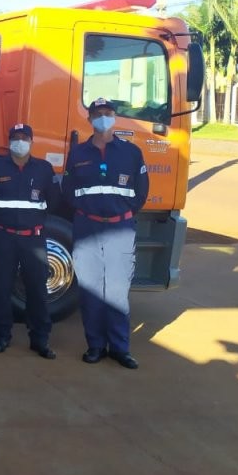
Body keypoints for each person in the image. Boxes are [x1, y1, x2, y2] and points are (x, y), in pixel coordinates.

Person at [62, 97, 149, 369]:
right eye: (98, 113)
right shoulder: (77, 154)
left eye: (108, 113)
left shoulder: (132, 153)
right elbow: (68, 190)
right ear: (89, 119)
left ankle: (120, 348)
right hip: (87, 226)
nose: (103, 117)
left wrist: (121, 212)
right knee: (90, 290)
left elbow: (141, 191)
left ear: (115, 117)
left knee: (117, 289)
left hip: (120, 227)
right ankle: (95, 346)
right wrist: (87, 210)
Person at [0, 123, 59, 358]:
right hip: (3, 237)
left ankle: (40, 339)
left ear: (32, 141)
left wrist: (34, 220)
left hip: (33, 239)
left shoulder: (44, 169)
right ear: (9, 141)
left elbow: (54, 201)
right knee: (0, 288)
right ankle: (1, 336)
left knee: (37, 290)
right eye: (15, 137)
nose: (19, 141)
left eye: (24, 137)